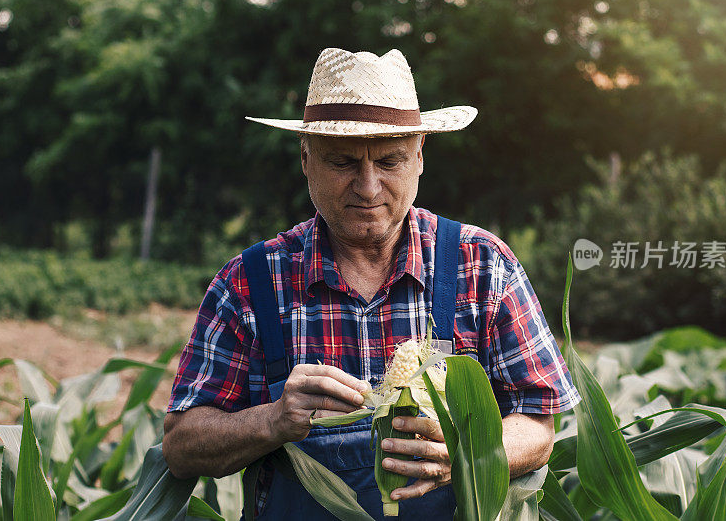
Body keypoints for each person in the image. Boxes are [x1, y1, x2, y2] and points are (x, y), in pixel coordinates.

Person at [162, 48, 580, 520]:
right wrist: (273, 420)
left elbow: (539, 422)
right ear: (306, 159)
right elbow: (181, 444)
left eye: (389, 161)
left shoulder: (481, 265)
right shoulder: (250, 284)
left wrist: (466, 454)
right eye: (342, 162)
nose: (367, 186)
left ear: (420, 157)